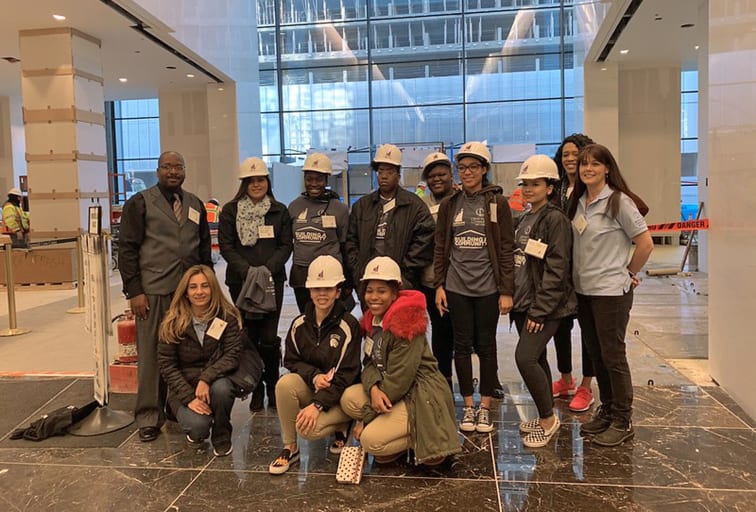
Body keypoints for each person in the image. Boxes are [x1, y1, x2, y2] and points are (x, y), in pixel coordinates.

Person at [119, 151, 213, 442]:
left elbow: (203, 250)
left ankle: (177, 405)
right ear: (157, 170)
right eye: (167, 167)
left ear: (184, 171)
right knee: (151, 353)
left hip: (187, 293)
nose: (173, 172)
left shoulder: (195, 204)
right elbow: (127, 249)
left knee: (185, 352)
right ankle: (148, 415)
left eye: (178, 167)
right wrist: (134, 290)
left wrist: (206, 286)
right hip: (154, 291)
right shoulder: (140, 203)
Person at [567, 143, 653, 447]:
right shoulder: (577, 201)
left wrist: (629, 273)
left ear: (607, 168)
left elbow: (645, 244)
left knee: (613, 356)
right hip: (584, 291)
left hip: (610, 293)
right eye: (583, 164)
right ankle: (606, 411)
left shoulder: (619, 202)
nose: (588, 169)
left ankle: (623, 418)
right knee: (597, 354)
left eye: (595, 164)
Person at [341, 257, 460, 465]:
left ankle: (423, 437)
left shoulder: (406, 322)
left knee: (370, 440)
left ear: (395, 292)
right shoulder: (374, 319)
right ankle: (397, 433)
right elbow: (369, 364)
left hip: (421, 394)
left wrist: (367, 418)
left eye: (381, 291)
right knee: (349, 399)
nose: (374, 297)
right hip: (395, 389)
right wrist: (375, 388)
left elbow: (399, 381)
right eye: (370, 290)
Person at [434, 141, 514, 433]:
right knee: (461, 346)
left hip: (488, 288)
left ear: (484, 170)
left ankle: (485, 407)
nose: (467, 172)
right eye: (462, 167)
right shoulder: (449, 205)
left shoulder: (497, 204)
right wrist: (439, 285)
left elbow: (506, 249)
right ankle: (468, 406)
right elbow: (441, 246)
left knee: (487, 346)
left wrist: (507, 290)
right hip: (456, 287)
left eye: (473, 167)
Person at [268, 255, 361, 475]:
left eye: (328, 288)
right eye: (317, 288)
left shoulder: (349, 326)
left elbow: (347, 374)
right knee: (284, 384)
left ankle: (343, 423)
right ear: (309, 291)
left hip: (341, 395)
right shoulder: (299, 324)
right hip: (316, 387)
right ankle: (290, 447)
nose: (322, 294)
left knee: (308, 430)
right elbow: (291, 360)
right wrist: (314, 377)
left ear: (338, 291)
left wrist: (317, 405)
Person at [510, 155, 577, 448]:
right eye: (525, 184)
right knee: (537, 358)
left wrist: (540, 310)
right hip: (525, 303)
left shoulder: (554, 220)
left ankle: (549, 420)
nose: (528, 189)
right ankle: (544, 413)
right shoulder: (526, 216)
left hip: (546, 306)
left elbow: (557, 269)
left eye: (535, 184)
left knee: (524, 357)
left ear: (550, 187)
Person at [218, 157, 293, 412]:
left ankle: (272, 386)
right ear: (244, 184)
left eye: (260, 179)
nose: (256, 184)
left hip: (272, 283)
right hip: (241, 283)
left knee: (269, 338)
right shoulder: (230, 211)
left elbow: (286, 245)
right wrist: (248, 271)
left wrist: (266, 270)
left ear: (267, 181)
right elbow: (226, 246)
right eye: (251, 181)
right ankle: (255, 388)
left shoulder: (279, 211)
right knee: (248, 336)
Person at [157, 265, 242, 456]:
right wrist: (189, 398)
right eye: (193, 287)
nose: (199, 292)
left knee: (222, 389)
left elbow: (233, 354)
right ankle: (190, 418)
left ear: (213, 289)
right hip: (183, 386)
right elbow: (167, 365)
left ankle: (222, 434)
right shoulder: (172, 322)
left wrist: (206, 379)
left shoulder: (227, 317)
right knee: (198, 428)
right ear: (185, 292)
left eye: (205, 286)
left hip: (215, 380)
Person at [345, 143, 435, 298]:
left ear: (398, 175)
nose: (384, 176)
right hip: (368, 280)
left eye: (389, 172)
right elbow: (351, 241)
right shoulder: (362, 206)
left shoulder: (414, 206)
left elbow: (425, 241)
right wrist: (359, 269)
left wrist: (404, 271)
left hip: (401, 282)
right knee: (371, 322)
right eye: (380, 172)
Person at [549, 133, 597, 413]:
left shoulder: (592, 188)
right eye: (565, 154)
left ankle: (586, 386)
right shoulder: (558, 188)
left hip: (587, 269)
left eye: (575, 154)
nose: (569, 158)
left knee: (589, 331)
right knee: (561, 327)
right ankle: (566, 378)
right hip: (561, 271)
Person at [288, 153, 350, 313]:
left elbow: (345, 246)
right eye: (309, 179)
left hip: (331, 274)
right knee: (307, 318)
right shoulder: (294, 207)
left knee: (331, 318)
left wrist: (348, 281)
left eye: (319, 179)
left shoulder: (340, 209)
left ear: (326, 180)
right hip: (302, 274)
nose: (313, 184)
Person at [418, 152, 456, 390]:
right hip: (429, 280)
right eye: (432, 176)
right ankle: (444, 380)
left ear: (451, 175)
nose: (437, 179)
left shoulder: (462, 200)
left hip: (459, 281)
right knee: (440, 331)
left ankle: (484, 381)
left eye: (442, 174)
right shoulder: (421, 204)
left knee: (463, 334)